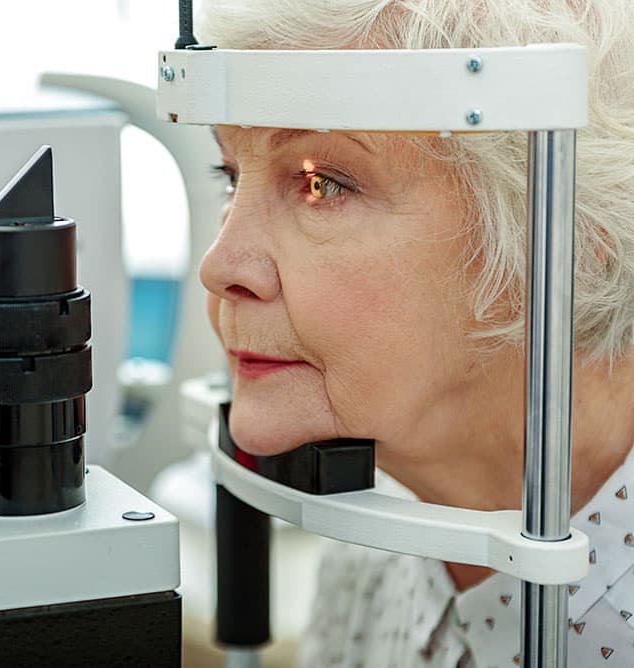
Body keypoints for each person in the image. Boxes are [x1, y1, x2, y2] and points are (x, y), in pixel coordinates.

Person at [194, 0, 634, 665]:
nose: (221, 266)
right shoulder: (376, 535)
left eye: (323, 184)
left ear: (572, 238)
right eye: (228, 174)